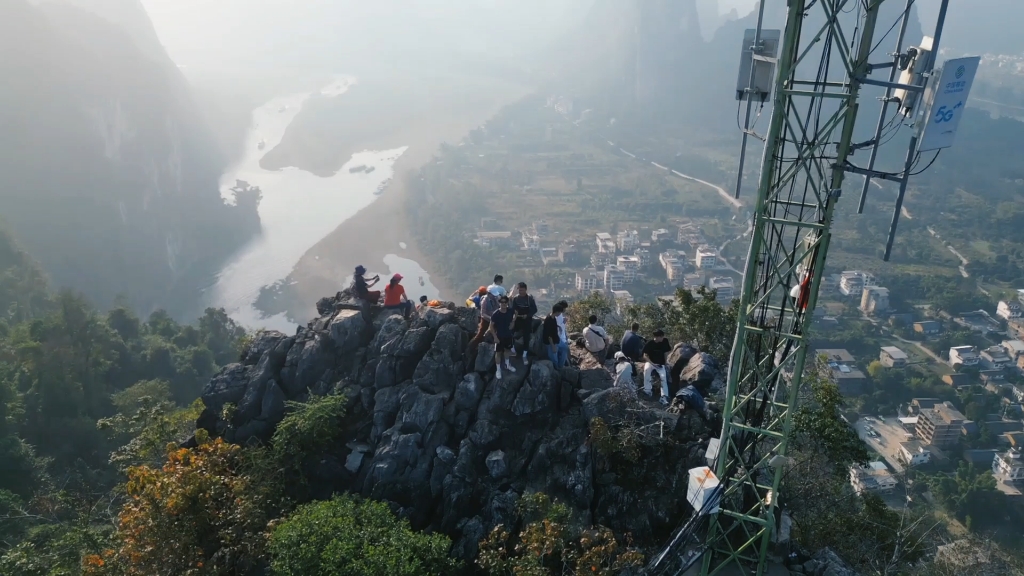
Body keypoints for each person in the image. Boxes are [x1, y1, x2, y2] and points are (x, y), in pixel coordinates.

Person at [489, 295, 517, 379]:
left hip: (508, 335)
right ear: (499, 303)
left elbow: (516, 313)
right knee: (498, 353)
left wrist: (513, 321)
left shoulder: (510, 311)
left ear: (507, 303)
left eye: (505, 302)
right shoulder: (496, 314)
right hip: (499, 336)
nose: (504, 304)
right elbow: (491, 326)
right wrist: (495, 337)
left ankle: (507, 365)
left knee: (507, 351)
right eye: (502, 302)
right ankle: (498, 370)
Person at [642, 329, 673, 405]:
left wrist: (666, 363)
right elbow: (644, 355)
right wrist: (652, 363)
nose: (663, 338)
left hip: (660, 364)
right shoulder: (650, 343)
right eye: (661, 337)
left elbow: (666, 352)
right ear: (658, 337)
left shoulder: (665, 341)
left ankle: (664, 396)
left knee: (663, 377)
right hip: (651, 362)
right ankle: (647, 390)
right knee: (646, 370)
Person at [510, 282, 537, 364]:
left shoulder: (529, 299)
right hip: (517, 319)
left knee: (526, 337)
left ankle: (524, 355)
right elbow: (513, 309)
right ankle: (513, 349)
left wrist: (528, 315)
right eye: (519, 290)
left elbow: (534, 309)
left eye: (522, 290)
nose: (520, 292)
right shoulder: (516, 299)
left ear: (525, 289)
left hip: (526, 320)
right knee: (510, 332)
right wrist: (515, 315)